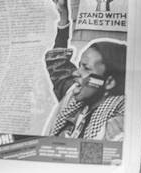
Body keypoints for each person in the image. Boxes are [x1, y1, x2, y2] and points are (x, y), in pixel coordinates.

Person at [43, 1, 125, 141]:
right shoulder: (75, 96)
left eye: (86, 68)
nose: (75, 72)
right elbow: (59, 65)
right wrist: (64, 17)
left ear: (109, 82)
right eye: (80, 65)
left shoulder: (118, 123)